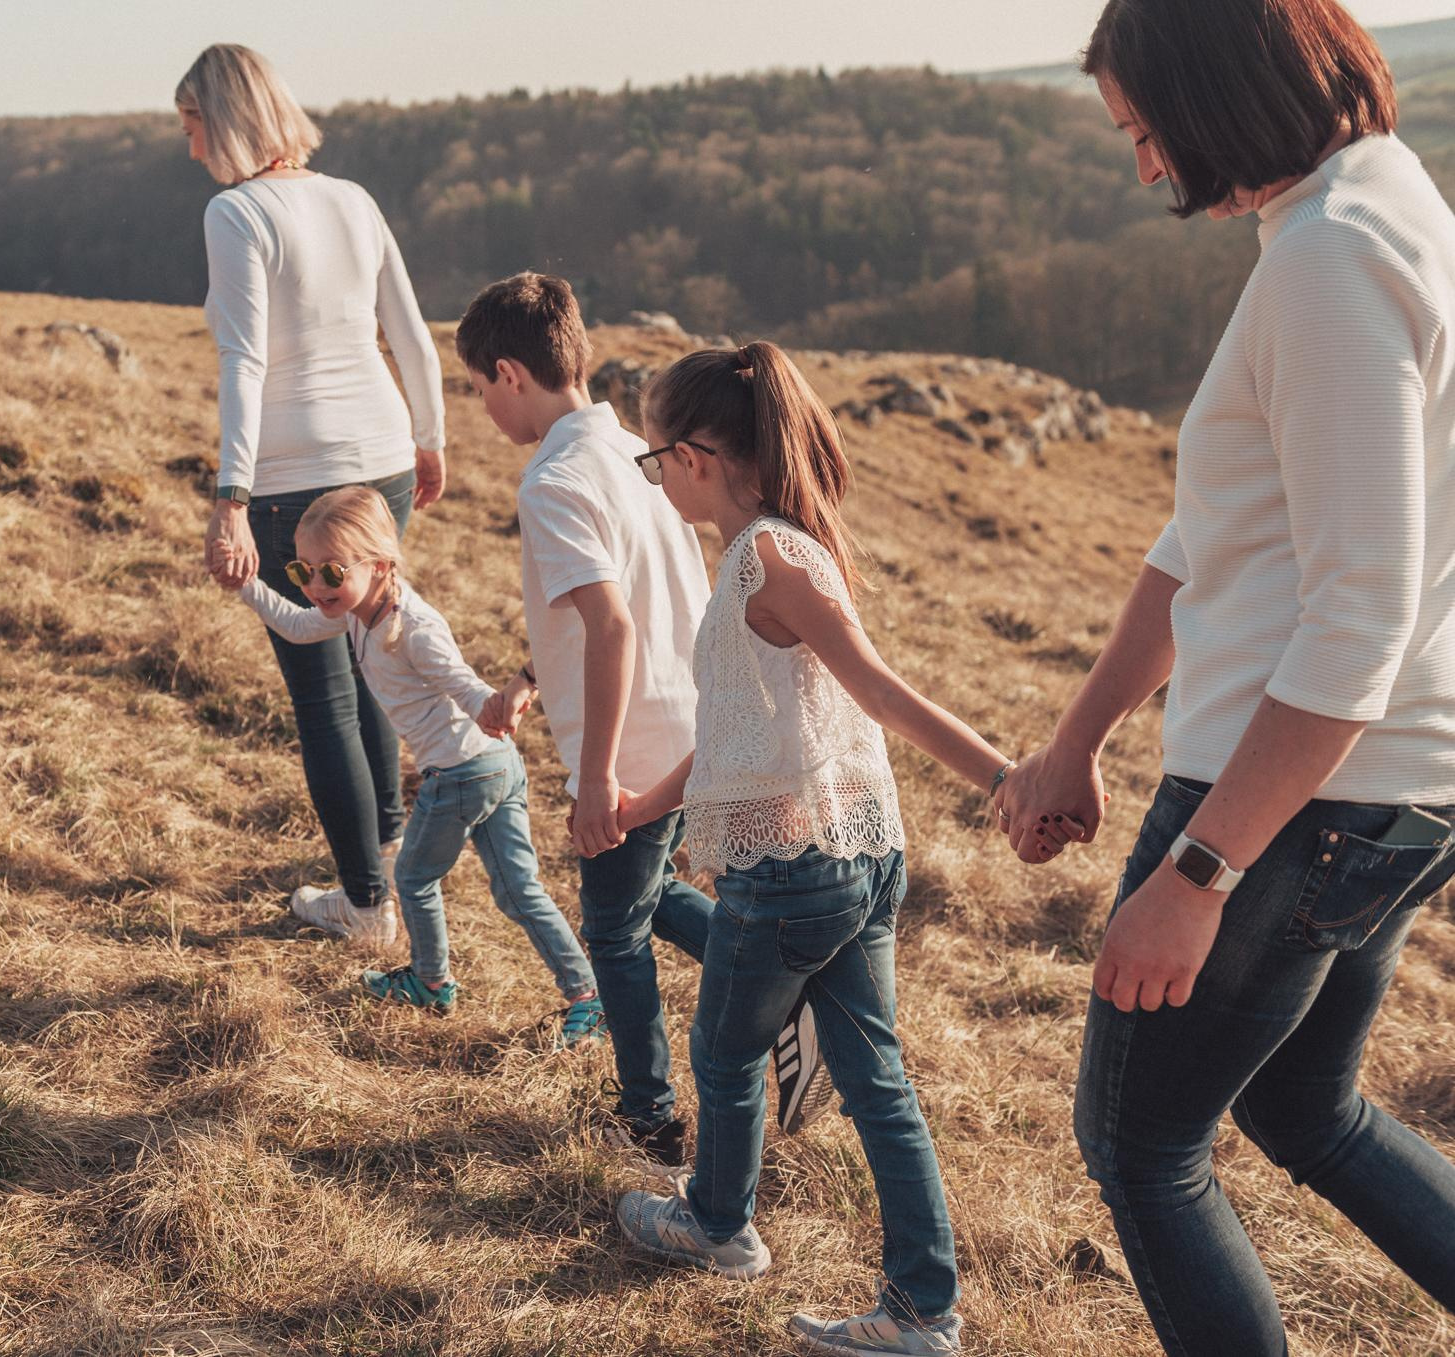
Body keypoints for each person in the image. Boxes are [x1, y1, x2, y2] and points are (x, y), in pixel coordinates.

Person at [998, 3, 1455, 1353]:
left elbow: (1354, 618)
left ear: (1222, 94)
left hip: (1292, 802)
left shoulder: (1332, 257)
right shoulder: (1384, 204)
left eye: (1149, 131)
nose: (1149, 169)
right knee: (1307, 1110)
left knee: (1140, 1148)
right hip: (1381, 790)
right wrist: (1079, 738)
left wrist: (1198, 875)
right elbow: (1207, 544)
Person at [610, 343, 1018, 1357]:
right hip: (851, 855)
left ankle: (717, 1225)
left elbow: (882, 692)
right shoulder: (780, 546)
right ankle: (924, 1312)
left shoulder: (769, 560)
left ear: (699, 454)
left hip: (799, 874)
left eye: (655, 455)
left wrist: (1011, 782)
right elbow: (741, 728)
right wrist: (647, 803)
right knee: (874, 1076)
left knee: (723, 1050)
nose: (653, 475)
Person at [456, 274, 829, 1170]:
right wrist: (527, 677)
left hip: (626, 744)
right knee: (648, 892)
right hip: (687, 716)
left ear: (511, 372)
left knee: (613, 927)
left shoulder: (551, 478)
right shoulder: (636, 454)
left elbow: (611, 622)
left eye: (476, 387)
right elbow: (629, 602)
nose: (481, 406)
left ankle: (651, 1120)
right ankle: (793, 995)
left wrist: (593, 780)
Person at [180, 43, 447, 940]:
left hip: (291, 480)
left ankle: (368, 903)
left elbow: (243, 358)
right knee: (371, 668)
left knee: (326, 693)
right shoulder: (353, 198)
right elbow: (408, 331)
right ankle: (394, 873)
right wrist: (429, 438)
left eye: (191, 127)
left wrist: (229, 494)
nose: (189, 150)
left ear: (221, 120)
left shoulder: (235, 212)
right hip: (383, 460)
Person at [235, 487, 606, 1048]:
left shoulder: (413, 627)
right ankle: (588, 995)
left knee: (411, 878)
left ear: (380, 565)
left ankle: (432, 981)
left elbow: (462, 682)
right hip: (492, 767)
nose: (315, 587)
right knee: (517, 890)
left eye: (331, 572)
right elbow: (301, 627)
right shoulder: (358, 612)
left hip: (463, 771)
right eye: (302, 570)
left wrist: (500, 701)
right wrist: (245, 586)